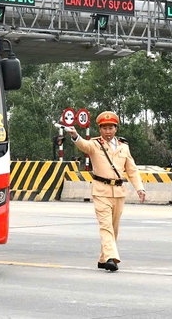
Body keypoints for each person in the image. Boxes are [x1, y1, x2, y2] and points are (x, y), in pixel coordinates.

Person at [63, 111, 146, 272]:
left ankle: (103, 258)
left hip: (119, 192)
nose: (108, 131)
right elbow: (83, 145)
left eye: (111, 128)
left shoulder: (124, 147)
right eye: (104, 128)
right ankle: (111, 258)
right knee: (106, 226)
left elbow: (132, 170)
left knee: (113, 228)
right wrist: (75, 136)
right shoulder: (95, 144)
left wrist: (140, 188)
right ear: (100, 129)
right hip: (101, 191)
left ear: (116, 129)